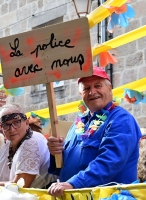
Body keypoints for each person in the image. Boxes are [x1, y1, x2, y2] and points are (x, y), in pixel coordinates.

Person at [47, 66, 141, 196]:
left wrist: (74, 183)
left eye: (98, 86)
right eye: (86, 88)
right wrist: (55, 152)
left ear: (109, 88)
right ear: (81, 94)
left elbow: (110, 161)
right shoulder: (78, 124)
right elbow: (62, 167)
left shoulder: (121, 119)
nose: (92, 92)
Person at [0, 104, 56, 188]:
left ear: (27, 123)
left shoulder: (32, 142)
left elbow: (19, 185)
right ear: (1, 128)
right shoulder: (7, 145)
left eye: (17, 122)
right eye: (6, 125)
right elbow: (3, 179)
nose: (12, 129)